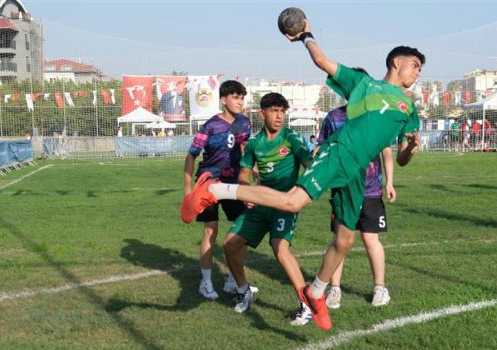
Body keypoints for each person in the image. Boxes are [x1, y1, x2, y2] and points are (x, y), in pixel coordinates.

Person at [181, 21, 423, 331]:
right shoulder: (366, 84)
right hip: (340, 151)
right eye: (415, 65)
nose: (417, 72)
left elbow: (401, 159)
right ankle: (215, 190)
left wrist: (412, 148)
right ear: (397, 62)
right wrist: (305, 36)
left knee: (346, 240)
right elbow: (323, 61)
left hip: (358, 170)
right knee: (292, 202)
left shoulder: (410, 110)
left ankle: (316, 292)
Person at [221, 92, 313, 319]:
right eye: (274, 111)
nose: (279, 116)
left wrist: (296, 193)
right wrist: (246, 194)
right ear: (262, 113)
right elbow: (243, 174)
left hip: (284, 204)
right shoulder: (254, 143)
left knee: (280, 248)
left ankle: (307, 305)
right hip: (260, 203)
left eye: (282, 111)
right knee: (229, 244)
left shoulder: (292, 139)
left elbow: (311, 167)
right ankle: (243, 292)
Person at [315, 69, 396, 310]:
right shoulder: (334, 118)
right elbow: (322, 148)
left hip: (371, 190)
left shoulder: (376, 115)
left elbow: (386, 152)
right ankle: (335, 289)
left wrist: (389, 181)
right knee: (340, 239)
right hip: (342, 189)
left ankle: (380, 288)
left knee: (371, 239)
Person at [183, 80, 252, 300]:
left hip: (232, 184)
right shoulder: (211, 126)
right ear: (223, 100)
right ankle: (205, 282)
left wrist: (251, 179)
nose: (239, 101)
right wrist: (187, 190)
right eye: (235, 97)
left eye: (242, 97)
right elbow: (191, 155)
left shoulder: (245, 124)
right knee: (210, 229)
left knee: (243, 229)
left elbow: (246, 152)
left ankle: (234, 279)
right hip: (208, 184)